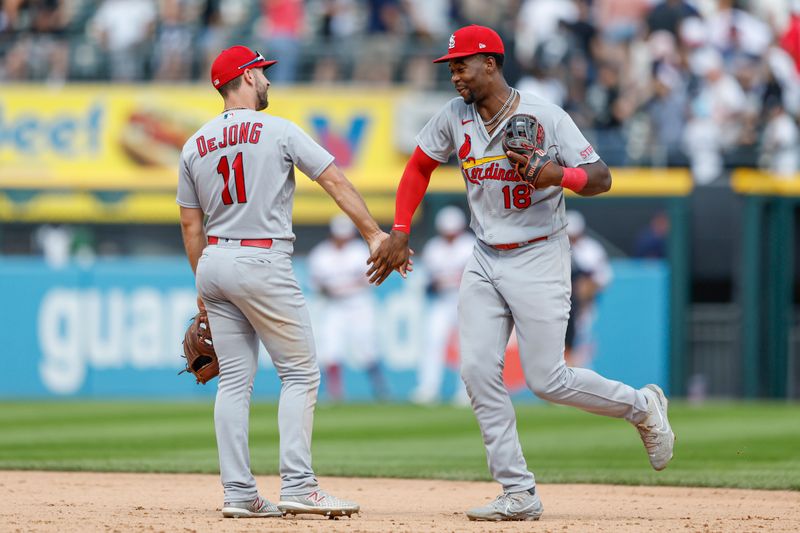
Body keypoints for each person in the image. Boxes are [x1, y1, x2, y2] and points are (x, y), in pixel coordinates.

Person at [367, 25, 675, 522]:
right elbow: (418, 167)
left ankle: (641, 406)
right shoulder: (454, 116)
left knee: (547, 379)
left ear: (491, 62)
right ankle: (518, 490)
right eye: (450, 66)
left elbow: (602, 178)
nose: (454, 74)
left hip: (539, 253)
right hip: (486, 255)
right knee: (475, 370)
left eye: (461, 64)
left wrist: (559, 175)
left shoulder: (544, 115)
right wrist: (400, 229)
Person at [177, 46, 405, 519]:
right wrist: (373, 234)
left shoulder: (194, 143)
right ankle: (300, 484)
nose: (266, 80)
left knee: (235, 382)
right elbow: (335, 180)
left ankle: (239, 493)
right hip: (262, 258)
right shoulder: (277, 129)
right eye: (260, 72)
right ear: (243, 77)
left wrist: (202, 289)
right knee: (300, 373)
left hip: (215, 259)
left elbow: (190, 227)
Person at [308, 215, 387, 401]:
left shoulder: (359, 251)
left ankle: (380, 389)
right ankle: (335, 393)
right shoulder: (321, 253)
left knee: (366, 347)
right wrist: (331, 289)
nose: (343, 239)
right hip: (334, 305)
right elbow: (315, 284)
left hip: (359, 303)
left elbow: (368, 280)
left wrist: (342, 287)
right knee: (330, 348)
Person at [411, 206, 475, 405]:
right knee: (432, 341)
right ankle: (428, 388)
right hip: (441, 301)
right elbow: (428, 281)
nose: (449, 236)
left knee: (466, 346)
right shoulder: (434, 247)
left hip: (465, 299)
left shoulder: (469, 244)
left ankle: (466, 391)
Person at [564, 210, 613, 368]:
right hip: (560, 304)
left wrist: (584, 291)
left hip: (584, 306)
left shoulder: (591, 250)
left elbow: (603, 277)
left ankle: (579, 381)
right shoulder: (556, 248)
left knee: (581, 344)